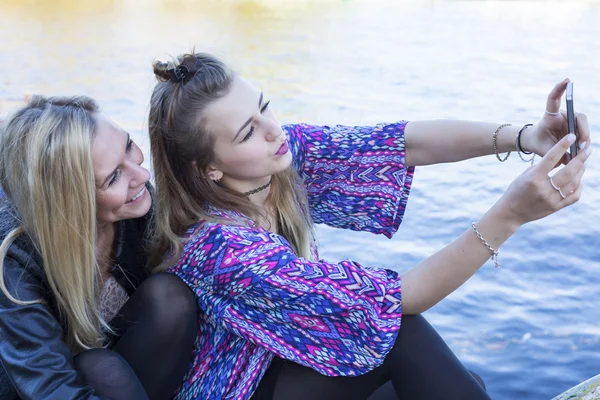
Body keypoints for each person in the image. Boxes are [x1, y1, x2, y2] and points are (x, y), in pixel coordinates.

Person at [147, 52, 591, 400]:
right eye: (247, 132)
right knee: (402, 331)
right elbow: (403, 300)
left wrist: (526, 136)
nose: (273, 130)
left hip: (293, 365)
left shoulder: (276, 161)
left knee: (451, 381)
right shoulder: (221, 248)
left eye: (265, 107)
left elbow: (400, 144)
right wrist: (510, 214)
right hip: (242, 389)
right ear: (207, 168)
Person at [0, 96, 198, 400]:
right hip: (38, 390)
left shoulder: (137, 212)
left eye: (129, 146)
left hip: (122, 380)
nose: (142, 176)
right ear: (71, 201)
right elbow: (48, 387)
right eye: (114, 177)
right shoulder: (14, 258)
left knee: (170, 297)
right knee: (99, 366)